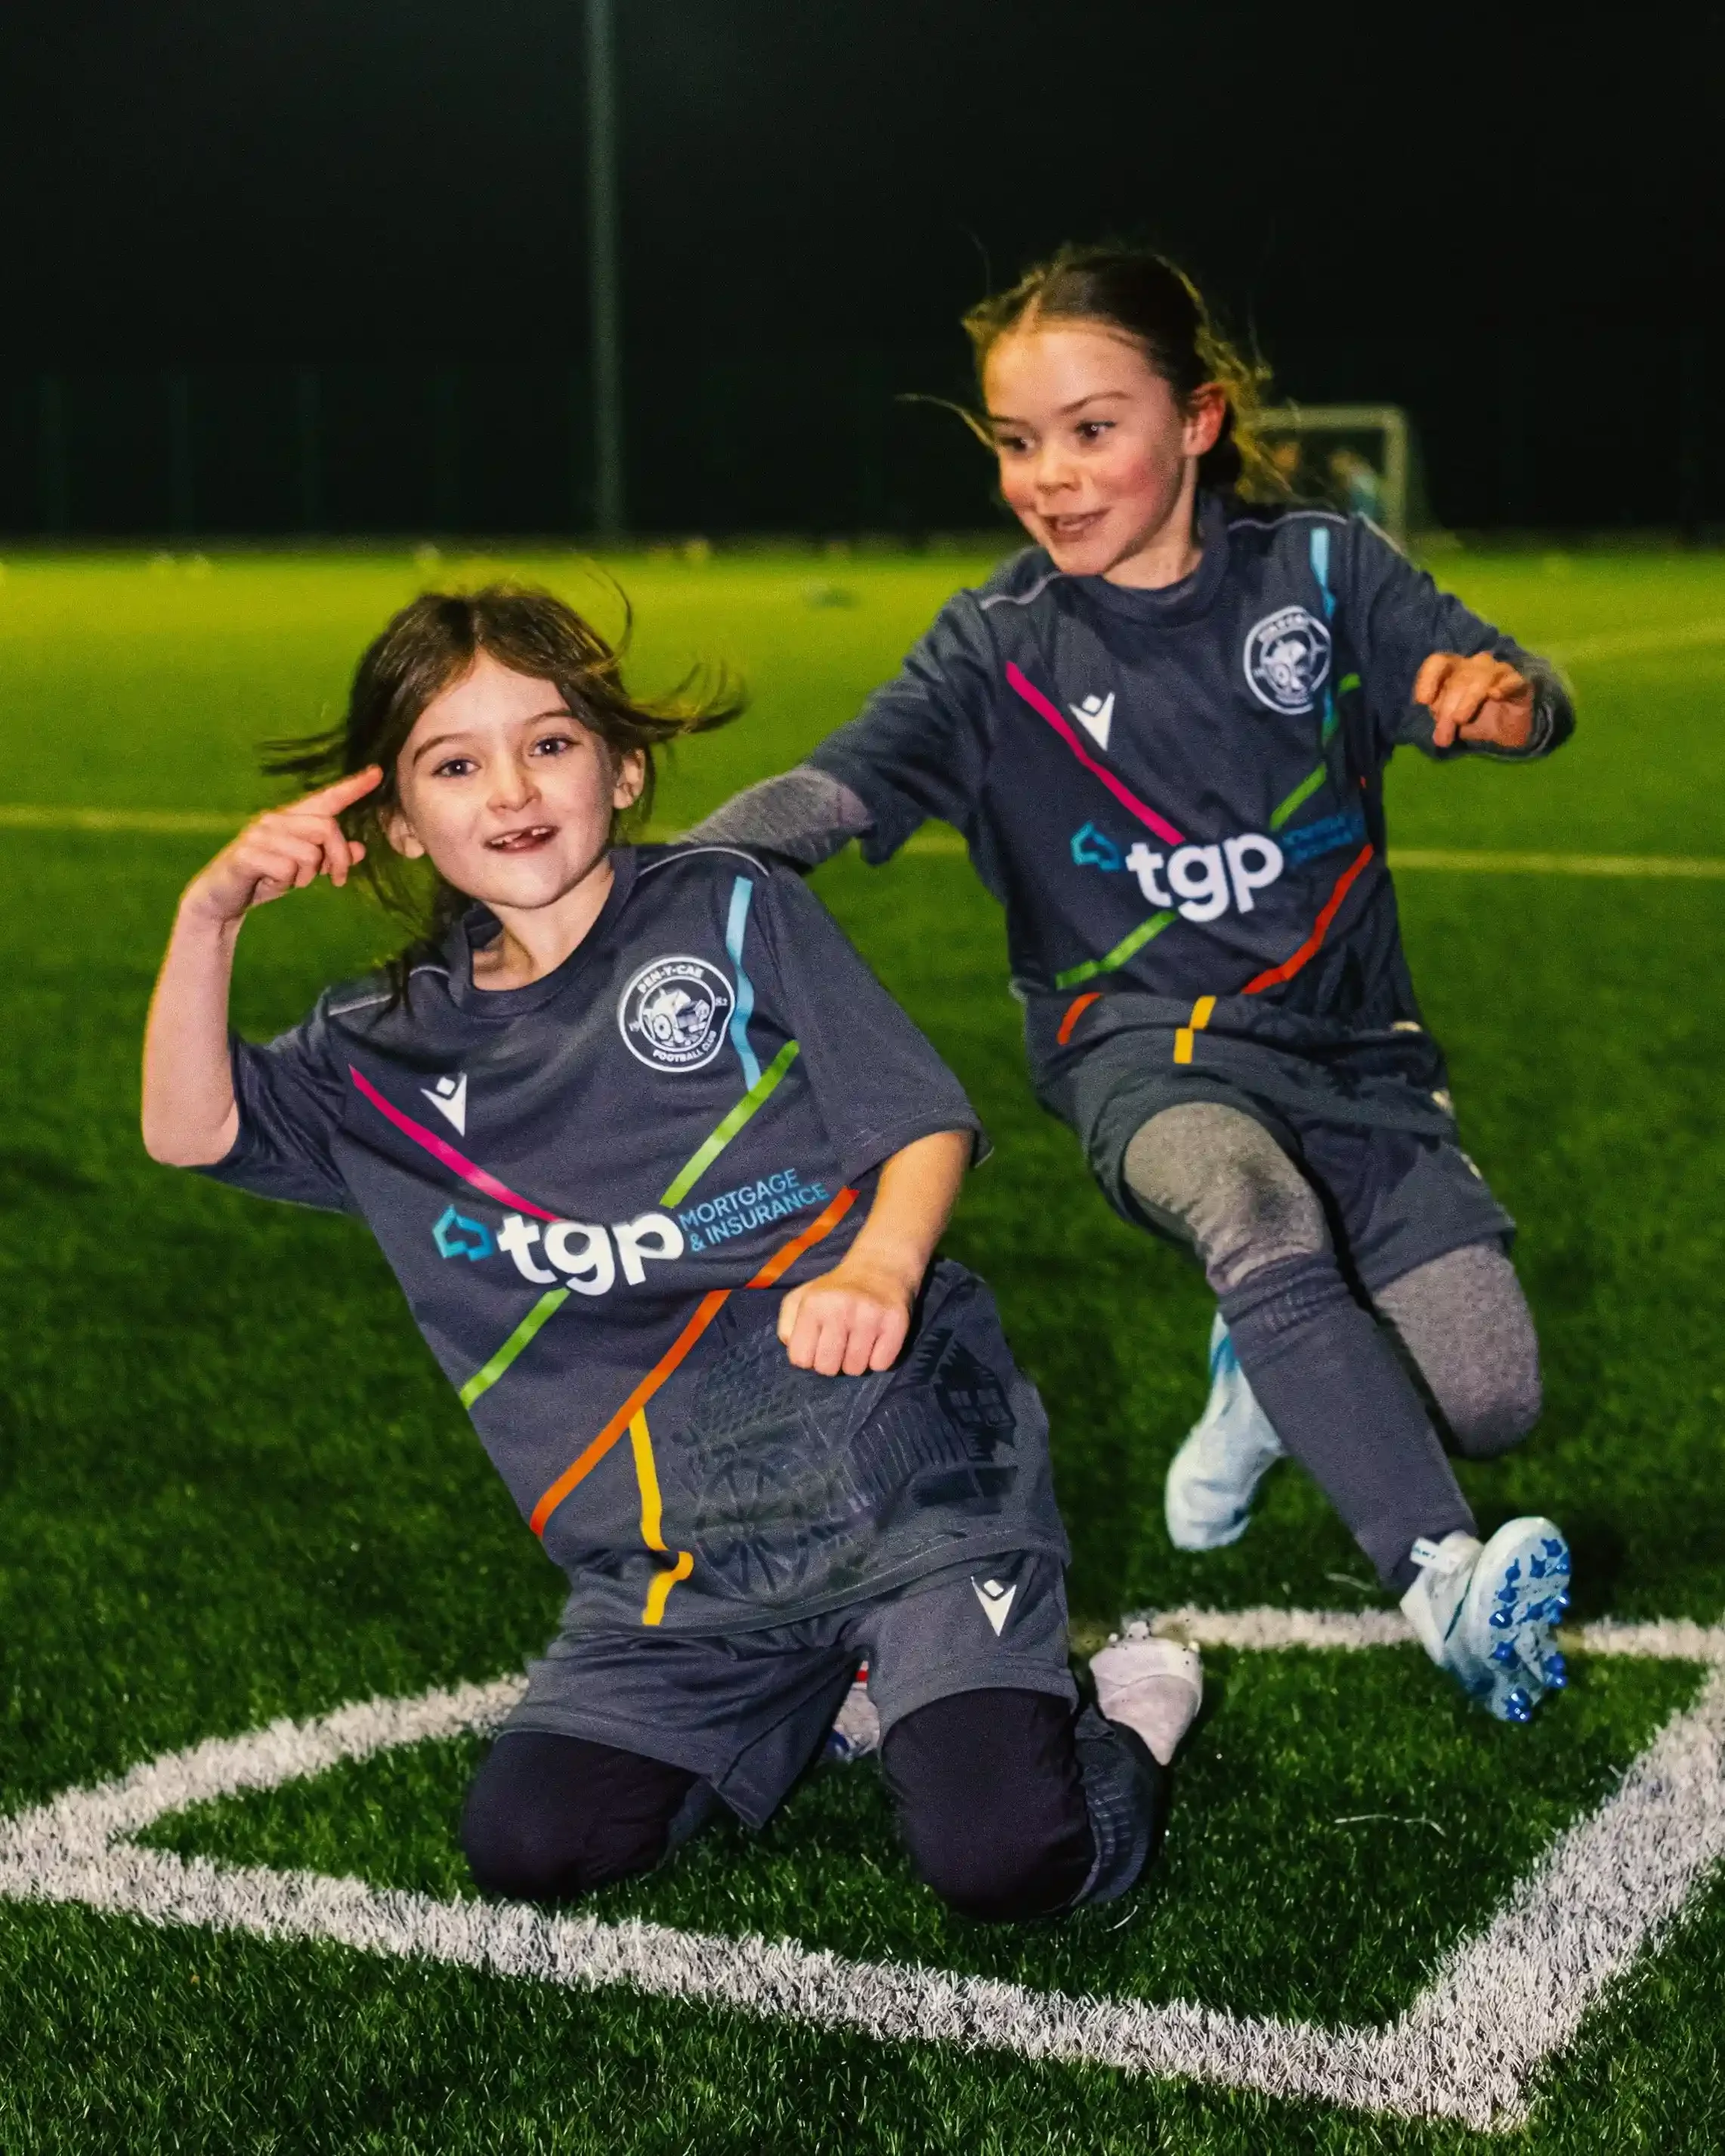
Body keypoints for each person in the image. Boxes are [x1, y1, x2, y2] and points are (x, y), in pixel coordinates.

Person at [139, 583, 1203, 1919]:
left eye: (550, 744)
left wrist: (878, 1266)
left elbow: (919, 1119)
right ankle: (837, 1693)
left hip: (907, 1479)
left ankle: (1124, 1716)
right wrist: (211, 917)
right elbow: (192, 1132)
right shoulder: (384, 1042)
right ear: (399, 822)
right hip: (678, 1564)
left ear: (622, 767)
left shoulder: (727, 910)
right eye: (455, 764)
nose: (512, 789)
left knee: (1004, 1859)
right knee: (532, 1845)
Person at [688, 245, 1575, 1723]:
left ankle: (1262, 1353)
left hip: (1358, 1055)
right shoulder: (993, 648)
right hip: (1139, 1051)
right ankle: (1442, 1583)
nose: (1051, 474)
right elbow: (837, 792)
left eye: (1093, 428)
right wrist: (658, 883)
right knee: (1248, 1200)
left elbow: (1515, 684)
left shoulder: (1321, 574)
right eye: (1018, 441)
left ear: (1200, 418)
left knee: (1492, 1397)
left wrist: (1503, 703)